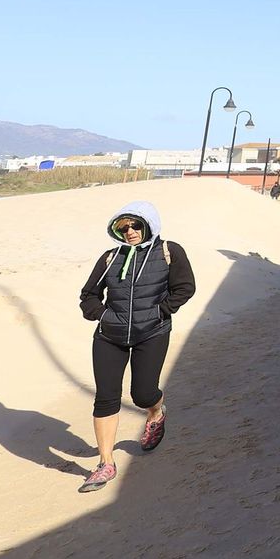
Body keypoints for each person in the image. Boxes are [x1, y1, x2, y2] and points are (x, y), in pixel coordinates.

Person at [76, 202, 195, 493]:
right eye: (123, 227)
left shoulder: (169, 251)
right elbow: (88, 295)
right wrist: (103, 315)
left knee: (142, 394)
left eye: (135, 225)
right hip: (109, 336)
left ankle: (156, 412)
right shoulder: (110, 257)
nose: (130, 232)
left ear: (149, 224)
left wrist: (160, 311)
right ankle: (105, 464)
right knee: (106, 398)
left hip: (152, 333)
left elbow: (185, 287)